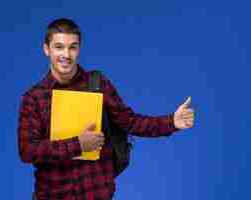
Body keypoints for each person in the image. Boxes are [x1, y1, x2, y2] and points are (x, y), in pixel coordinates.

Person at [17, 18, 195, 200]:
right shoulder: (34, 98)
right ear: (46, 49)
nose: (66, 54)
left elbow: (130, 122)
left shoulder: (97, 84)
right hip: (53, 196)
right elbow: (27, 150)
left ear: (79, 49)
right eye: (59, 47)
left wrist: (172, 121)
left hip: (96, 192)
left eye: (73, 47)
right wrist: (78, 144)